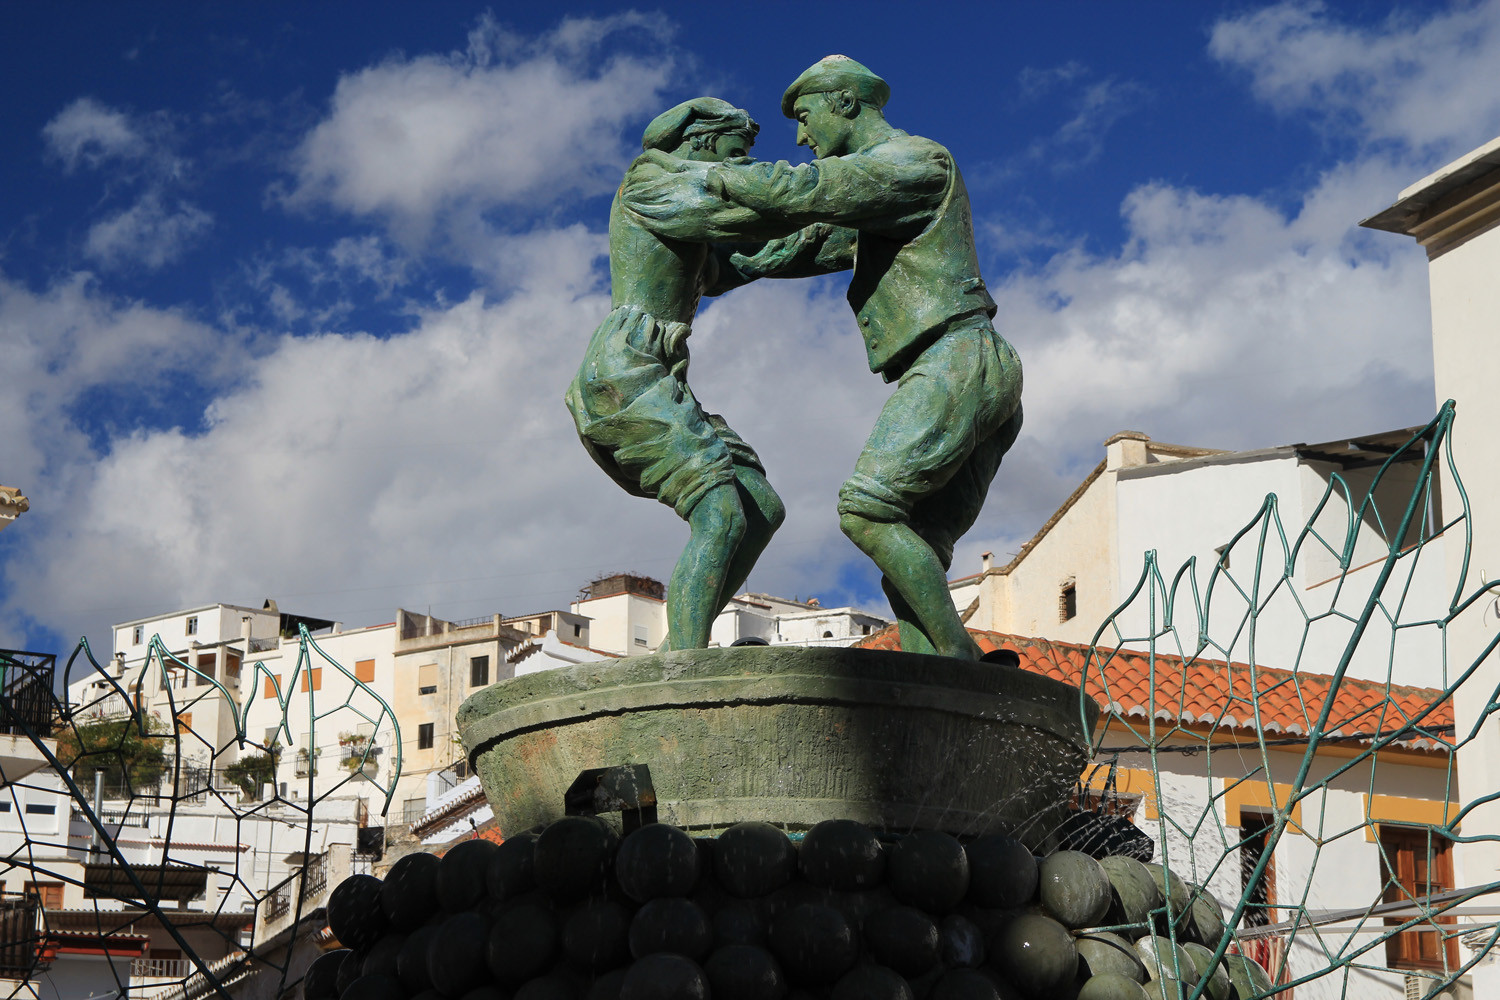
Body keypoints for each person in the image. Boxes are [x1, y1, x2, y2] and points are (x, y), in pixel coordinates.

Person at [620, 57, 1022, 660]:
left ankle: (959, 659)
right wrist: (710, 264)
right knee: (915, 543)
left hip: (959, 361)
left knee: (867, 512)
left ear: (844, 103)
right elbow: (798, 243)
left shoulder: (915, 162)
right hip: (966, 367)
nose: (802, 137)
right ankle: (942, 677)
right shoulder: (881, 195)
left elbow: (807, 193)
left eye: (806, 118)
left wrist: (703, 174)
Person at [565, 97, 784, 652]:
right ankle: (684, 664)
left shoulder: (690, 222)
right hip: (623, 370)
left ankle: (677, 648)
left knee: (759, 508)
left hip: (662, 376)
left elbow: (758, 256)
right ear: (703, 142)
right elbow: (741, 213)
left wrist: (854, 234)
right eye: (737, 154)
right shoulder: (651, 183)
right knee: (721, 512)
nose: (743, 167)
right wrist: (833, 194)